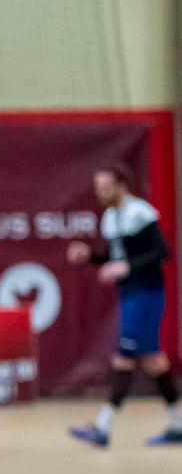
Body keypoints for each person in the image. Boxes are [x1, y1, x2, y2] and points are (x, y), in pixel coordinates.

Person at [66, 164, 182, 447]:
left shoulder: (139, 213)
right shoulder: (110, 217)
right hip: (130, 293)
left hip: (147, 294)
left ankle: (102, 425)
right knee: (154, 362)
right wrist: (89, 256)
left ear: (121, 186)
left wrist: (126, 267)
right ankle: (177, 424)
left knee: (124, 357)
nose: (100, 193)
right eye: (98, 188)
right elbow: (114, 254)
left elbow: (161, 251)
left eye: (105, 187)